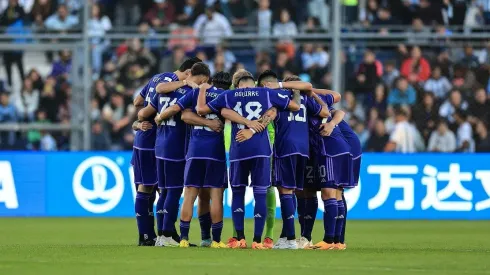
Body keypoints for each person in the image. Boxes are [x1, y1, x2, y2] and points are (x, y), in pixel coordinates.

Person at [196, 70, 304, 249]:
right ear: (253, 83)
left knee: (238, 192)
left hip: (239, 149)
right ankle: (258, 240)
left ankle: (239, 238)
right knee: (260, 192)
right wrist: (268, 113)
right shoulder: (266, 93)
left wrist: (201, 91)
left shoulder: (229, 95)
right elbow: (294, 106)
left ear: (237, 84)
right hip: (261, 150)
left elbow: (201, 110)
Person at [153, 72, 232, 248]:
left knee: (189, 195)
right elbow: (229, 116)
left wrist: (159, 117)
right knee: (216, 196)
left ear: (210, 81)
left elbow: (181, 114)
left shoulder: (197, 92)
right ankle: (216, 240)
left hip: (194, 150)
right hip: (215, 152)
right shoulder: (226, 96)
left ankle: (184, 239)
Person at [137, 59, 207, 247]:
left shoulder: (165, 90)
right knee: (174, 192)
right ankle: (167, 233)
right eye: (202, 81)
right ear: (197, 76)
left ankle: (161, 235)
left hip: (159, 145)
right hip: (176, 146)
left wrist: (144, 121)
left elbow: (144, 111)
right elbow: (184, 114)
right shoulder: (191, 92)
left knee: (164, 192)